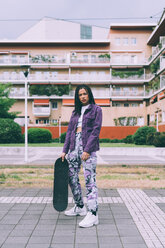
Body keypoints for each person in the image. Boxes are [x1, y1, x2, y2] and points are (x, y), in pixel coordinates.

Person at [61, 84, 102, 228]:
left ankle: (93, 214)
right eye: (80, 94)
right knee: (71, 177)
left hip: (87, 147)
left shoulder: (96, 110)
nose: (83, 96)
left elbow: (96, 131)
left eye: (85, 93)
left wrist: (87, 149)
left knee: (89, 180)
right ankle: (79, 206)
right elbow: (69, 132)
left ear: (89, 94)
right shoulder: (75, 112)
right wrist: (64, 150)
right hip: (73, 147)